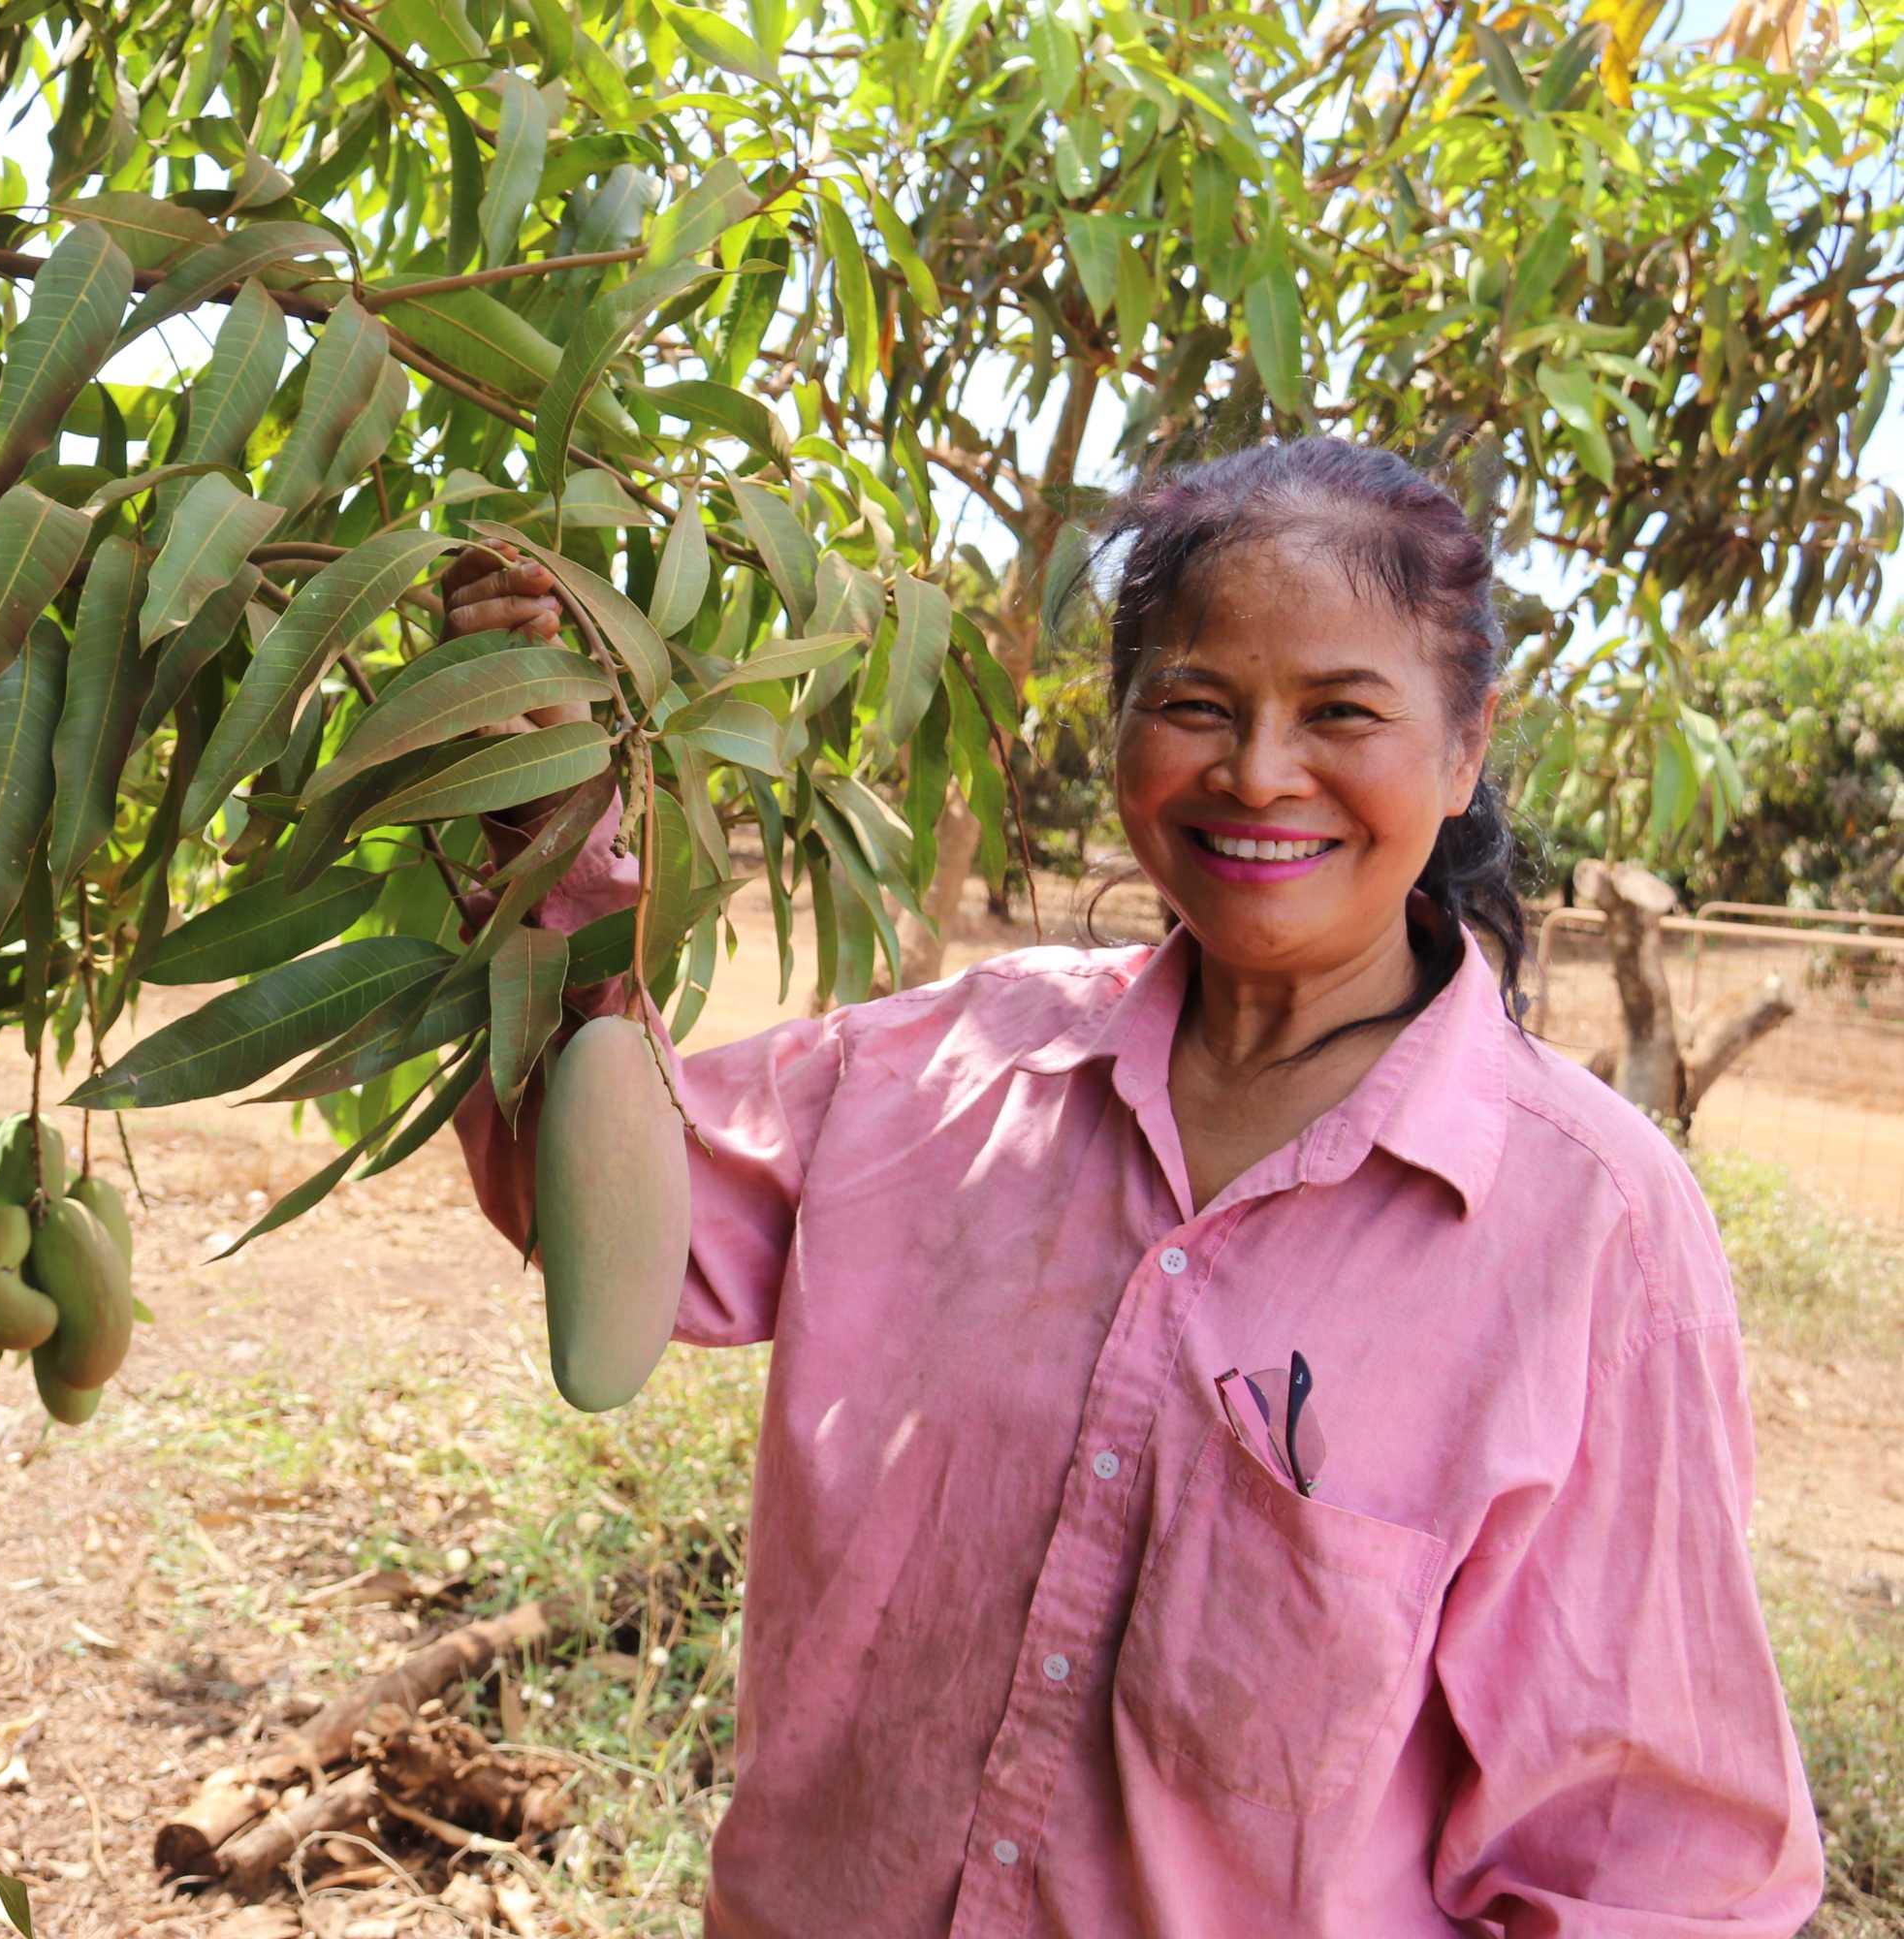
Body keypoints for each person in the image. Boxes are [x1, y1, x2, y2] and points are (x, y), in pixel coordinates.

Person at [443, 439, 1824, 1935]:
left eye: (1342, 713)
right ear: (1121, 731)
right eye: (1198, 707)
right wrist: (545, 839)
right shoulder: (939, 1073)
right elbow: (616, 1235)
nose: (1259, 774)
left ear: (1466, 746)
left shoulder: (1584, 1233)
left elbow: (1652, 1873)